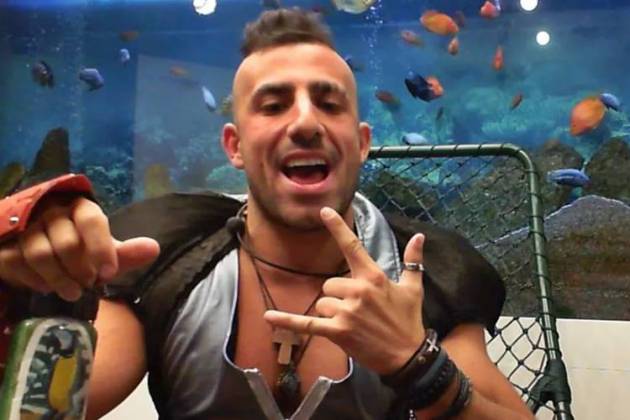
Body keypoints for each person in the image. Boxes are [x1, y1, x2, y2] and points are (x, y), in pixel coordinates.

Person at [0, 8, 534, 420]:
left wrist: (420, 366)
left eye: (329, 104)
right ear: (234, 146)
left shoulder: (422, 275)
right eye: (274, 105)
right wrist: (30, 284)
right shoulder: (167, 259)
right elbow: (38, 410)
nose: (304, 123)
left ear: (362, 142)